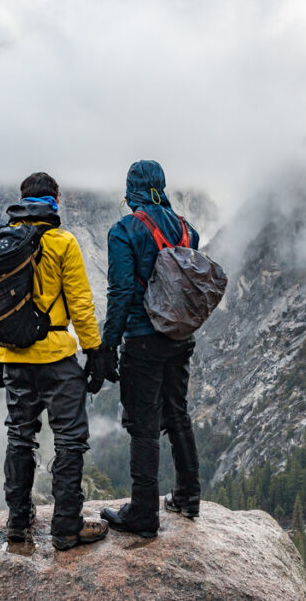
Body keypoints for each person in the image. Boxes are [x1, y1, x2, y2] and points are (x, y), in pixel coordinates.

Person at [0, 172, 111, 551]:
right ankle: (66, 528)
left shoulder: (0, 244)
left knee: (19, 437)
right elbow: (80, 303)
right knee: (70, 441)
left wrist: (1, 356)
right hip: (57, 358)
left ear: (22, 200)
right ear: (55, 201)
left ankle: (18, 522)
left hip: (12, 357)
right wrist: (94, 352)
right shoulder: (62, 242)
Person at [99, 160, 202, 538]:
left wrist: (108, 345)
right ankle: (188, 497)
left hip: (143, 340)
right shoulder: (188, 230)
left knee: (143, 425)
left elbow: (122, 292)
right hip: (180, 337)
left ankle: (143, 514)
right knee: (177, 413)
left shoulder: (125, 231)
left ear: (132, 190)